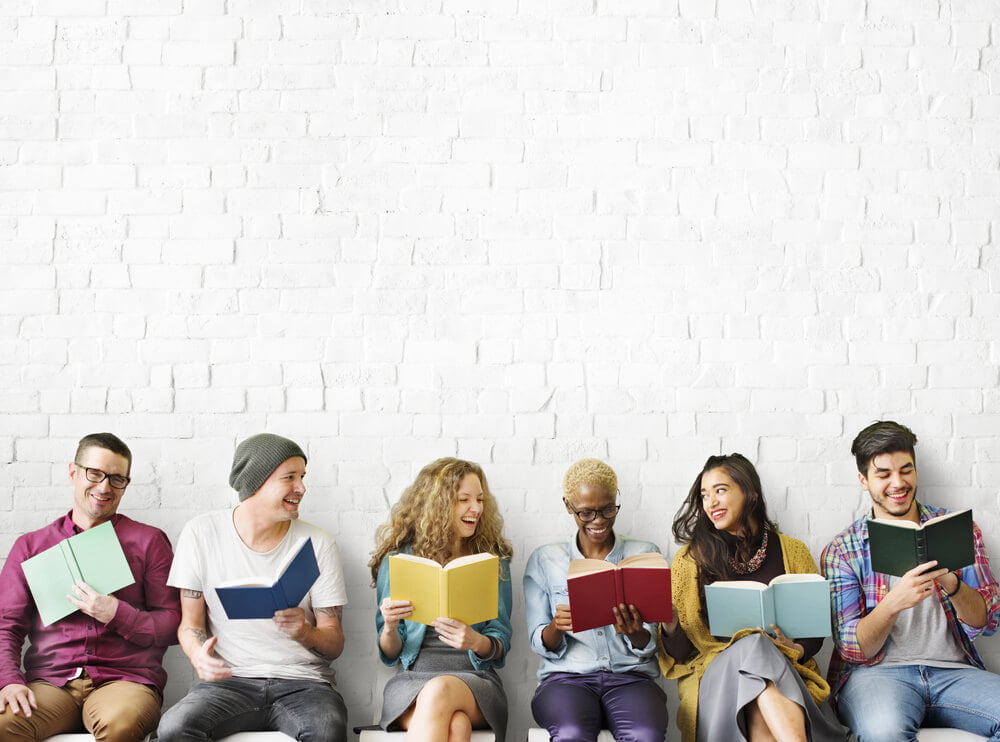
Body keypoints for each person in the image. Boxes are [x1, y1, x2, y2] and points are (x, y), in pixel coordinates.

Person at [157, 433, 348, 742]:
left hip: (304, 684)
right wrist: (198, 656)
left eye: (302, 477)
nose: (301, 488)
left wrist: (305, 632)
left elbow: (334, 643)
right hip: (229, 682)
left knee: (327, 730)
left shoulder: (317, 543)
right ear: (256, 482)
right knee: (173, 729)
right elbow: (190, 624)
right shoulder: (201, 534)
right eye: (289, 477)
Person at [821, 420, 1000, 741]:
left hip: (956, 673)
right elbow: (852, 649)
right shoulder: (843, 550)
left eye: (906, 470)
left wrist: (950, 581)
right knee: (883, 733)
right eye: (884, 474)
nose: (898, 482)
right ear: (863, 480)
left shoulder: (960, 530)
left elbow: (988, 621)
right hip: (877, 676)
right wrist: (893, 603)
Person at [0, 432, 180, 742]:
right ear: (73, 471)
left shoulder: (148, 541)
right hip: (50, 684)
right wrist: (8, 680)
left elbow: (175, 623)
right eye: (94, 474)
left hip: (126, 681)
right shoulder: (31, 546)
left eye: (117, 479)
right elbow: (6, 625)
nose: (104, 487)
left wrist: (118, 613)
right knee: (4, 723)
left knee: (119, 722)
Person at [659, 453, 845, 742]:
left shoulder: (793, 551)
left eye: (720, 490)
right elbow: (683, 654)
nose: (711, 502)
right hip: (718, 680)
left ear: (750, 493)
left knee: (759, 689)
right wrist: (670, 622)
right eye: (705, 495)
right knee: (754, 642)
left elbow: (813, 635)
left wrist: (792, 647)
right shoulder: (689, 560)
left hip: (783, 672)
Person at [524, 458, 669, 742]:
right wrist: (557, 627)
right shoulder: (545, 559)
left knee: (645, 735)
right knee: (571, 734)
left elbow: (651, 642)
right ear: (568, 506)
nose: (599, 521)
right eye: (586, 513)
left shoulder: (644, 554)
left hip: (631, 678)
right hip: (566, 679)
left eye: (607, 509)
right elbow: (538, 640)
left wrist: (635, 632)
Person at [369, 457, 513, 742]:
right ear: (438, 504)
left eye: (480, 499)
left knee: (440, 691)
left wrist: (476, 641)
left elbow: (501, 644)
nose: (476, 508)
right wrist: (388, 627)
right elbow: (389, 653)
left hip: (476, 681)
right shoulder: (398, 559)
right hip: (411, 683)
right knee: (457, 726)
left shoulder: (491, 561)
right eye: (464, 500)